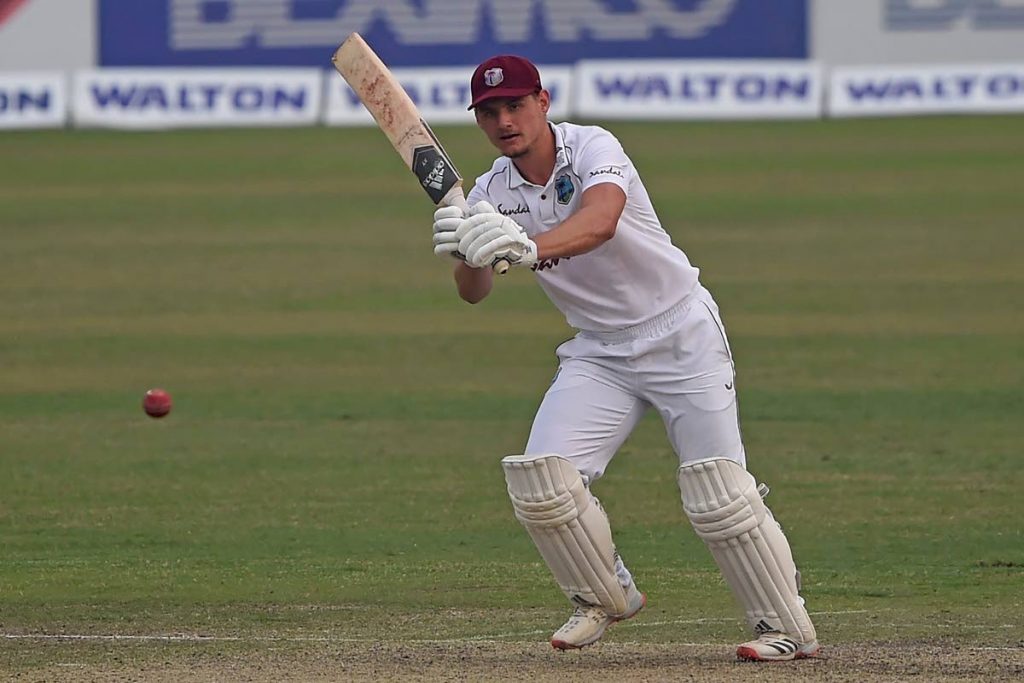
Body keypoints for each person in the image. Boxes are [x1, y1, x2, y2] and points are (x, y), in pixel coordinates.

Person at [431, 54, 820, 662]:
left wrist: (527, 246)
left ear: (544, 102)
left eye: (515, 105)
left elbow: (601, 221)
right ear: (479, 121)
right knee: (542, 483)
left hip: (680, 332)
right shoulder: (488, 193)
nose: (505, 120)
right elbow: (472, 292)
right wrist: (465, 248)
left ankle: (786, 629)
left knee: (718, 490)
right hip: (599, 351)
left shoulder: (591, 147)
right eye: (490, 112)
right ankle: (604, 596)